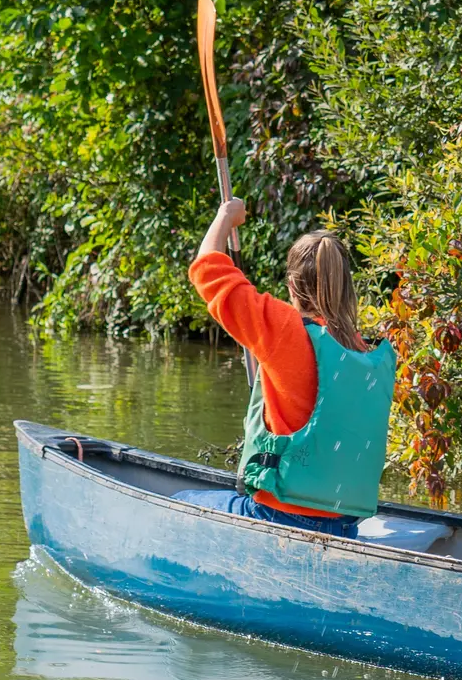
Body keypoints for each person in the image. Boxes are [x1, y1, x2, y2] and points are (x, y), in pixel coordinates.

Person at [170, 198, 396, 539]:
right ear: (347, 289)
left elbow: (207, 268)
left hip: (277, 516)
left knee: (179, 501)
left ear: (292, 286)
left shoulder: (284, 331)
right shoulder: (365, 352)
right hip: (345, 525)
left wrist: (225, 217)